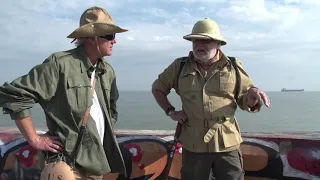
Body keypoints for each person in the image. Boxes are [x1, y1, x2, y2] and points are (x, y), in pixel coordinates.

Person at [0, 6, 128, 179]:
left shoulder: (107, 71)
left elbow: (111, 109)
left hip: (95, 163)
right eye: (110, 36)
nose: (114, 41)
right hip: (67, 165)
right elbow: (14, 95)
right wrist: (35, 139)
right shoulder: (60, 64)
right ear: (91, 37)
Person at [151, 18, 271, 180]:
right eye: (195, 40)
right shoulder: (179, 66)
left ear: (218, 44)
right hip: (194, 144)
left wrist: (252, 99)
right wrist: (170, 111)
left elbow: (245, 101)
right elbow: (158, 88)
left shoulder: (233, 66)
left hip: (227, 144)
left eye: (206, 41)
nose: (199, 45)